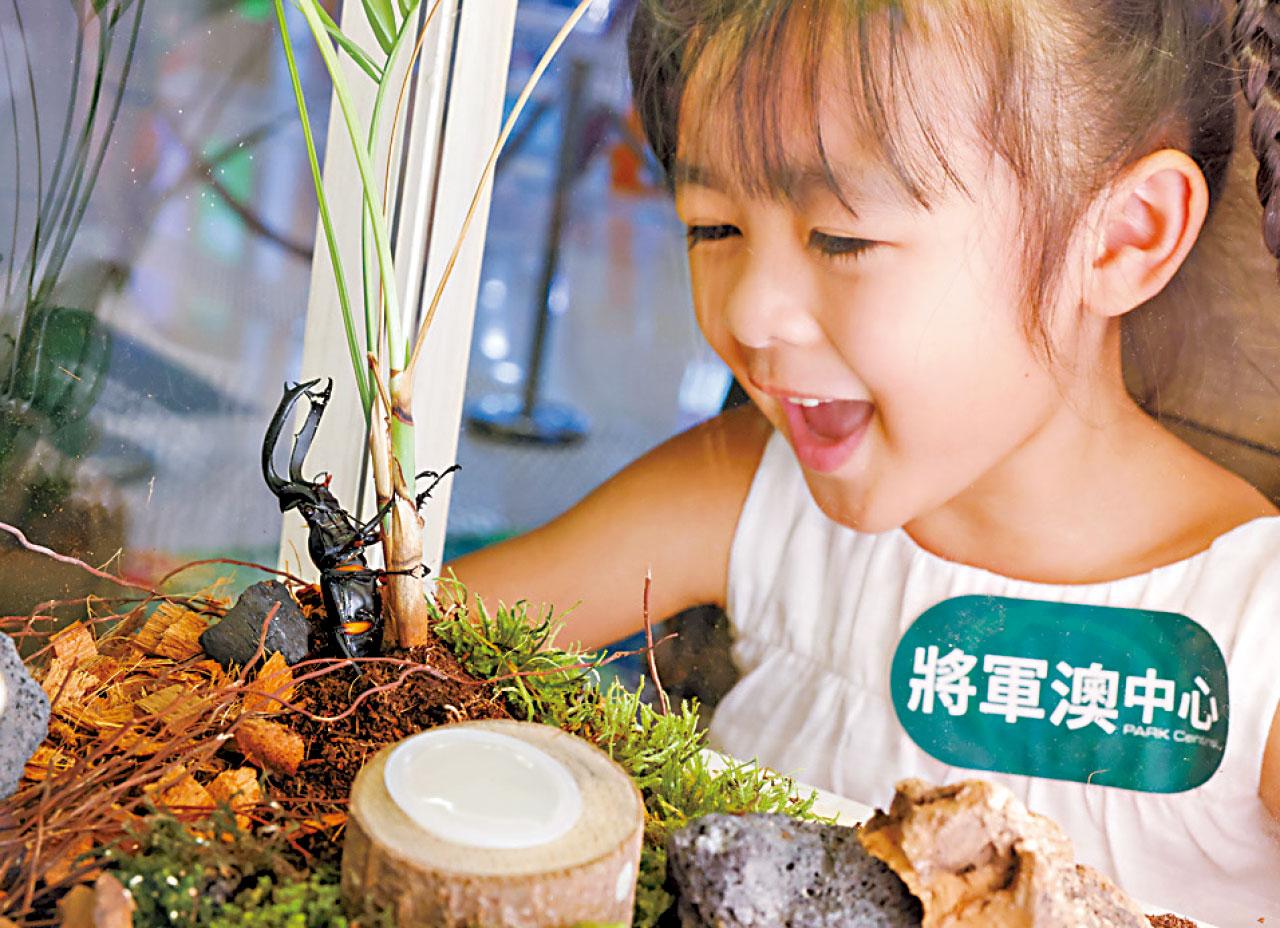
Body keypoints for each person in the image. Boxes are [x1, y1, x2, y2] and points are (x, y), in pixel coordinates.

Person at [443, 1, 1280, 921]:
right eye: (712, 227)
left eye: (842, 237)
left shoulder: (1257, 630)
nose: (748, 312)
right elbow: (400, 643)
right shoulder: (742, 490)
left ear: (1122, 236)